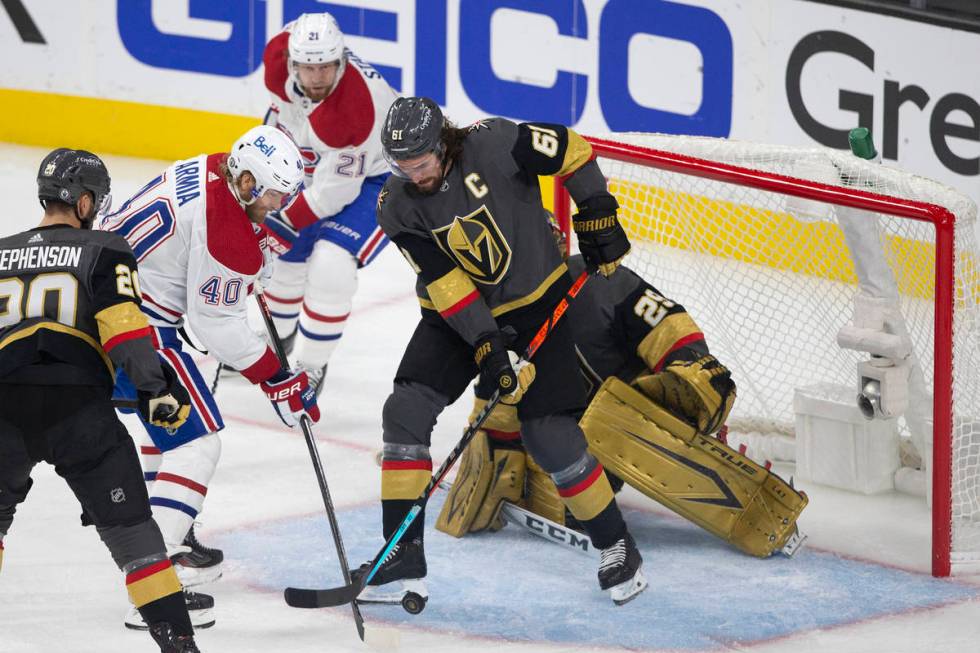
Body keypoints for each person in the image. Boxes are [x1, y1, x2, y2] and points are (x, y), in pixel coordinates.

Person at [363, 96, 646, 606]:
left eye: (421, 163)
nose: (413, 175)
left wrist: (598, 211)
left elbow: (572, 149)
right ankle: (400, 554)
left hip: (539, 302)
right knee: (404, 410)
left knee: (548, 435)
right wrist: (488, 347)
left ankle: (616, 544)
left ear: (443, 145)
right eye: (400, 166)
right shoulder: (394, 203)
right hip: (455, 317)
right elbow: (446, 283)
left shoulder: (495, 140)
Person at [438, 224, 808, 560]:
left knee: (626, 414)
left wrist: (689, 367)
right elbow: (498, 399)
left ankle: (747, 496)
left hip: (636, 415)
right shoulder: (495, 317)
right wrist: (490, 444)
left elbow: (669, 327)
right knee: (554, 499)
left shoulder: (602, 283)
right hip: (572, 439)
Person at [99, 125, 321, 628]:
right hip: (132, 327)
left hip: (106, 299)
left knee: (170, 435)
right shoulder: (226, 228)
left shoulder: (216, 166)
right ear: (245, 182)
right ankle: (153, 588)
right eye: (271, 196)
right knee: (198, 444)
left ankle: (168, 543)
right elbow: (214, 326)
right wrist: (275, 378)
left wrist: (251, 249)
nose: (277, 206)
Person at [0, 149, 200, 652]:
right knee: (135, 537)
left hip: (3, 410)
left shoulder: (0, 252)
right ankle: (178, 644)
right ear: (85, 201)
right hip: (78, 413)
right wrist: (156, 388)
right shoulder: (104, 248)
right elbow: (124, 332)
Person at [257, 12, 398, 394]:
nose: (317, 77)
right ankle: (276, 342)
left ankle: (311, 365)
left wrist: (274, 218)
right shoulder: (275, 60)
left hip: (377, 177)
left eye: (326, 67)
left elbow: (334, 194)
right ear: (291, 62)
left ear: (341, 60)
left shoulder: (353, 111)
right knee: (281, 257)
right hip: (317, 161)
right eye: (308, 67)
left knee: (331, 264)